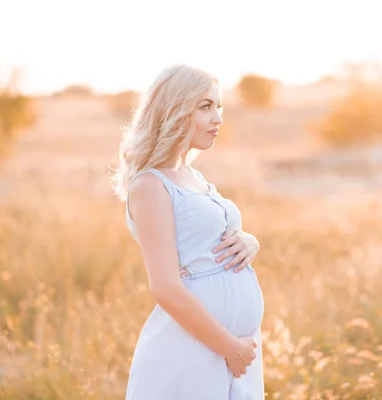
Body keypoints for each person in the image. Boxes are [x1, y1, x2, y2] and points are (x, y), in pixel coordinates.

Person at [110, 64, 265, 399]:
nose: (218, 118)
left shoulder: (195, 178)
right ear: (176, 109)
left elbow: (205, 242)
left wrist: (249, 241)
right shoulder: (150, 185)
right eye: (205, 106)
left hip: (232, 351)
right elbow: (165, 287)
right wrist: (230, 349)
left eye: (219, 107)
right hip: (195, 350)